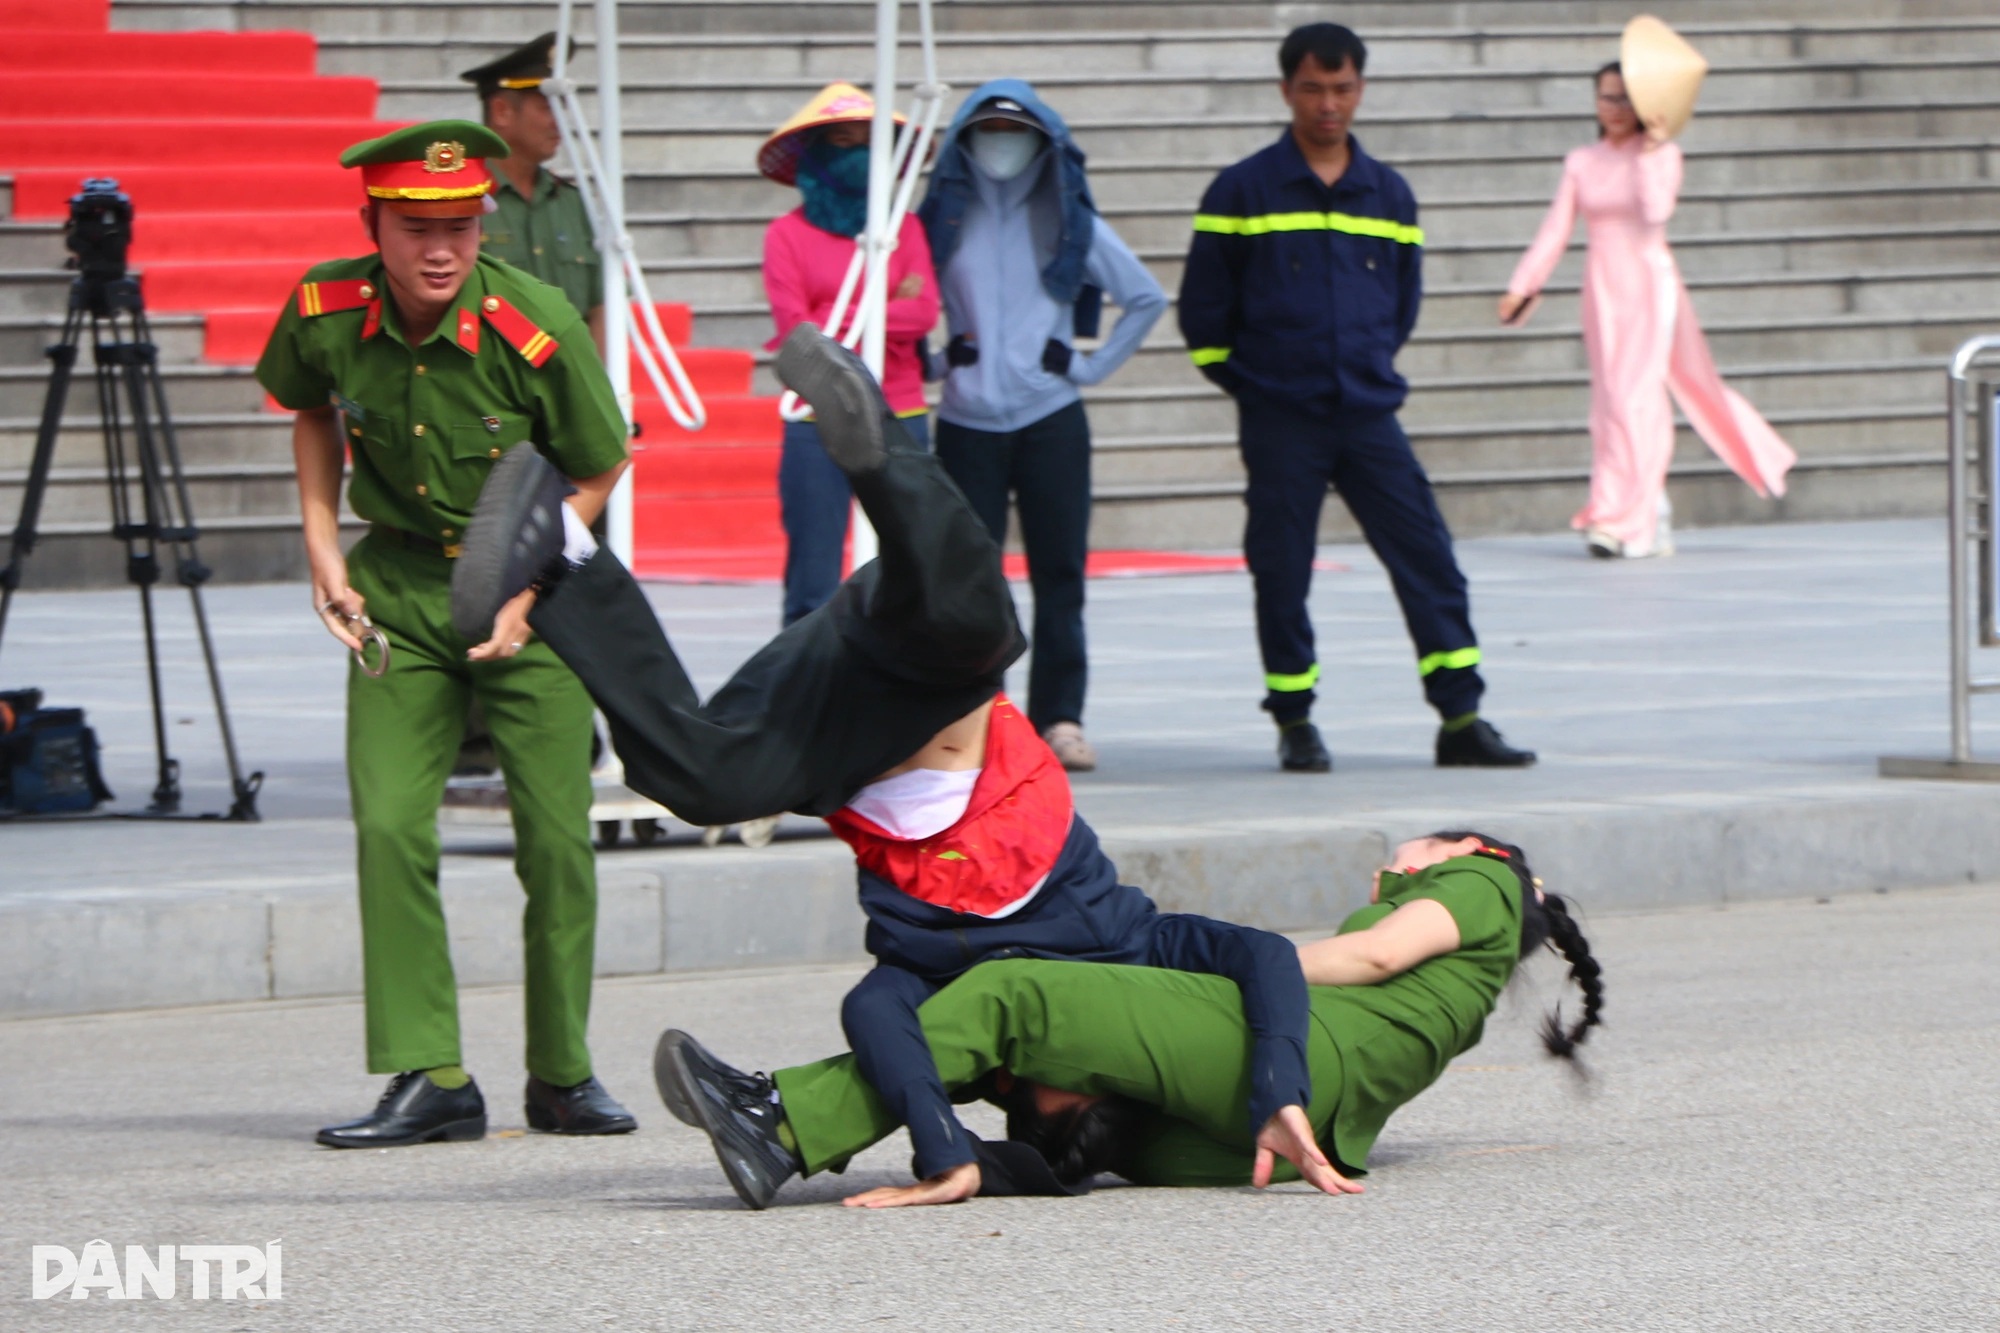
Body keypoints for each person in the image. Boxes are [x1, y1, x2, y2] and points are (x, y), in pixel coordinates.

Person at [256, 120, 637, 1148]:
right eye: (417, 226)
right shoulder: (326, 308)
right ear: (371, 222)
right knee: (387, 824)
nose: (442, 249)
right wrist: (321, 547)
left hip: (533, 592)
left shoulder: (533, 320)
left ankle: (561, 1074)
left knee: (557, 838)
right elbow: (306, 408)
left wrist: (530, 582)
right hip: (397, 593)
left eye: (462, 226)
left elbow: (601, 465)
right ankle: (433, 1075)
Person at [656, 829, 1605, 1209]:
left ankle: (777, 1122)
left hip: (1303, 1063)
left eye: (1419, 845)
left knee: (1019, 995)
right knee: (1063, 1091)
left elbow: (1371, 956)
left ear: (1470, 846)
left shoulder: (1491, 878)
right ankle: (946, 1154)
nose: (1398, 857)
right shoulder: (1470, 974)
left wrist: (1161, 974)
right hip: (1290, 1136)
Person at [1177, 24, 1535, 775]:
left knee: (1428, 557)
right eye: (1313, 89)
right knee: (1282, 567)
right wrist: (1250, 384)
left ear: (1361, 90)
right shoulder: (1241, 189)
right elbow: (1203, 318)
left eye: (1342, 90)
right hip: (1281, 415)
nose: (1328, 105)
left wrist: (1365, 364)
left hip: (1368, 413)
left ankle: (1460, 716)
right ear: (1286, 91)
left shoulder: (1390, 195)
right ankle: (1296, 720)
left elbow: (1400, 305)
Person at [819, 690, 1328, 1203]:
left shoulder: (961, 996)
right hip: (990, 756)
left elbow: (873, 1005)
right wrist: (1279, 1093)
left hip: (871, 791)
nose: (1088, 1051)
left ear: (1010, 1079)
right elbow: (1267, 953)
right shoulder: (1132, 948)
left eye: (1065, 1067)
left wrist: (946, 1153)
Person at [918, 82, 1168, 773]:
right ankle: (982, 716)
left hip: (1051, 418)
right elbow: (903, 302)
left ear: (1043, 141)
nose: (1002, 143)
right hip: (967, 421)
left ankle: (1060, 717)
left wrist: (1085, 367)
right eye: (988, 129)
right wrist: (940, 359)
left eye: (1015, 131)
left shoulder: (1066, 216)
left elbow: (1145, 297)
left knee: (1061, 575)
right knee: (974, 580)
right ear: (965, 140)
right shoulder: (941, 218)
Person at [1499, 62, 1796, 560]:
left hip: (1648, 285)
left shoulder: (1662, 156)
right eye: (1605, 98)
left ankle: (1622, 519)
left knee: (1636, 398)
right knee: (1611, 402)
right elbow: (1555, 231)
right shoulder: (1581, 161)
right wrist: (1522, 285)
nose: (1613, 109)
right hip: (1602, 289)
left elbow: (1657, 211)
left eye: (1623, 99)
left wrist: (1653, 151)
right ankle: (1648, 509)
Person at [759, 83, 939, 624]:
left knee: (915, 567)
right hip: (817, 415)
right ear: (816, 152)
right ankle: (803, 700)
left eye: (870, 143)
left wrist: (840, 312)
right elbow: (799, 334)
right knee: (812, 582)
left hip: (901, 411)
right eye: (843, 141)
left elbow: (924, 312)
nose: (859, 154)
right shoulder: (785, 235)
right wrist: (881, 305)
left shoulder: (903, 229)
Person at [460, 33, 605, 349]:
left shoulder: (573, 203)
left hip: (569, 384)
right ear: (502, 112)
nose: (560, 124)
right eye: (547, 108)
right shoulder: (463, 200)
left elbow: (601, 307)